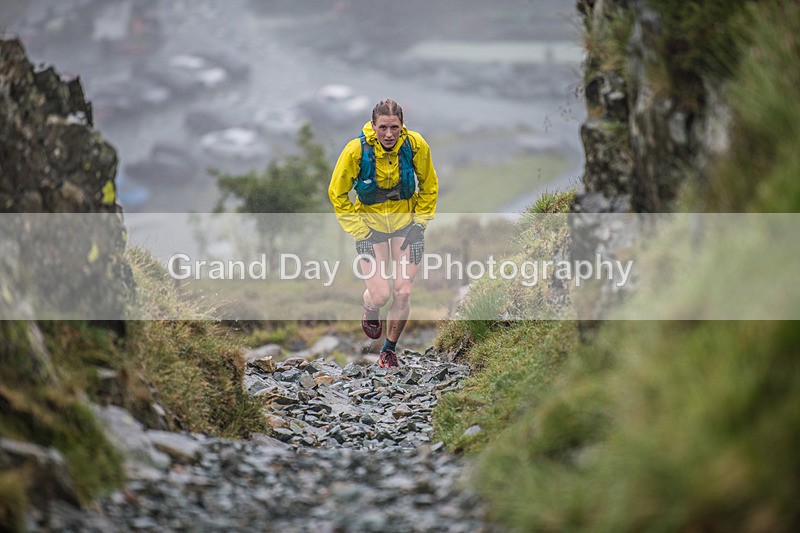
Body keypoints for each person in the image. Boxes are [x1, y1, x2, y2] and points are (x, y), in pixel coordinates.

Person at [328, 99, 438, 368]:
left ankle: (388, 350)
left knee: (402, 292)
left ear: (402, 126)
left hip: (406, 225)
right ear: (373, 125)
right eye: (383, 127)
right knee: (380, 296)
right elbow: (337, 193)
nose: (389, 134)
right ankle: (369, 308)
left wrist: (420, 224)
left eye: (394, 127)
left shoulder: (415, 145)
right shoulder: (356, 150)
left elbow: (429, 187)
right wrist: (359, 231)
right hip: (370, 229)